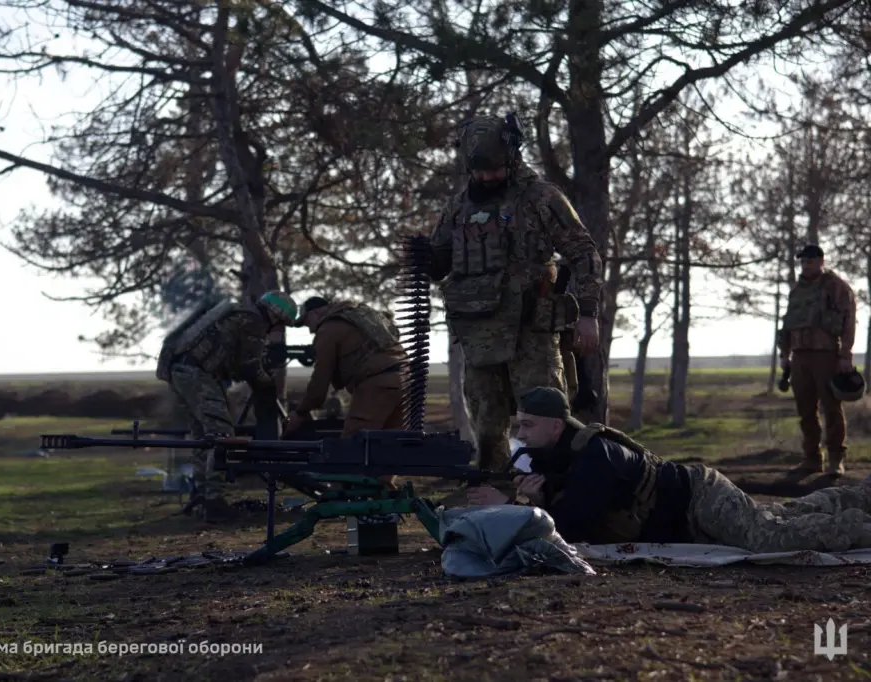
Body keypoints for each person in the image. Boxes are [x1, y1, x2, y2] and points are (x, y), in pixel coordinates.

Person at [468, 387, 871, 553]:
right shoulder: (547, 457)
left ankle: (861, 524)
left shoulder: (595, 453)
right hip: (681, 519)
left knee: (769, 537)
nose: (521, 434)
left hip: (698, 497)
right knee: (785, 515)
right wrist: (534, 498)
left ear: (555, 426)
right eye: (519, 425)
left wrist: (524, 505)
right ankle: (858, 494)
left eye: (528, 425)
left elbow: (577, 525)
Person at [428, 113, 603, 473]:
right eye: (478, 171)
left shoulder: (540, 198)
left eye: (493, 169)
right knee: (487, 426)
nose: (486, 178)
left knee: (546, 421)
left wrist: (588, 313)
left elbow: (584, 253)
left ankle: (560, 493)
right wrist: (424, 258)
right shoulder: (459, 207)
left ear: (511, 157)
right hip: (478, 338)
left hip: (531, 335)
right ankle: (496, 498)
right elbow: (440, 261)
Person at [155, 290, 299, 521]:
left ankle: (203, 495)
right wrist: (266, 381)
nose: (277, 329)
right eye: (281, 323)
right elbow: (250, 366)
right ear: (276, 315)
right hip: (197, 373)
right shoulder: (253, 321)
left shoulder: (241, 312)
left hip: (182, 370)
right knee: (222, 435)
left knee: (203, 437)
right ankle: (214, 501)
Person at [778, 244, 861, 476]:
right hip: (800, 356)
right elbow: (787, 325)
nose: (806, 265)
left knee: (831, 408)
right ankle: (812, 458)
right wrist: (785, 355)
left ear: (821, 261)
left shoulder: (835, 287)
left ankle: (836, 459)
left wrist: (846, 354)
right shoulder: (797, 291)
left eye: (811, 261)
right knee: (805, 410)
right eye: (803, 262)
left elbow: (848, 321)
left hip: (826, 355)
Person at [284, 296, 407, 439]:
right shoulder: (359, 317)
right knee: (392, 445)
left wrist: (300, 413)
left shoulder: (327, 329)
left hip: (377, 386)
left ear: (314, 313)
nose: (311, 330)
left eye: (307, 323)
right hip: (407, 380)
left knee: (352, 446)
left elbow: (319, 383)